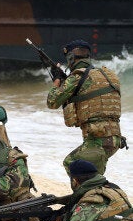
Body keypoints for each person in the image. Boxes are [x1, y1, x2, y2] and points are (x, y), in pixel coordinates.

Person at [15, 160, 133, 221]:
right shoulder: (112, 189)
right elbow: (98, 219)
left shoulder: (91, 201)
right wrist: (57, 216)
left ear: (75, 180)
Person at [46, 39, 124, 176]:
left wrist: (57, 80)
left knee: (73, 165)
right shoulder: (109, 74)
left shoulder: (78, 76)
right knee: (92, 174)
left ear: (71, 58)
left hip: (97, 139)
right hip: (116, 138)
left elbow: (52, 102)